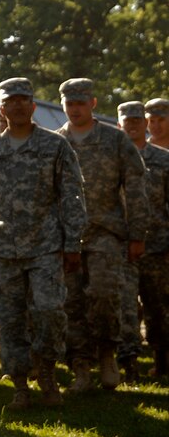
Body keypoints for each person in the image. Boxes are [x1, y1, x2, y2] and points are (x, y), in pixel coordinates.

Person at [0, 77, 87, 410]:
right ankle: (20, 385)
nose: (17, 106)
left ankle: (46, 373)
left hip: (46, 244)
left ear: (33, 106)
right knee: (10, 319)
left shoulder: (55, 146)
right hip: (4, 248)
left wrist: (73, 242)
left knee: (49, 311)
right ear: (1, 109)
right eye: (10, 101)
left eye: (23, 100)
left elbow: (72, 196)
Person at [56, 78, 148, 393]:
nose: (75, 109)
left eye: (81, 103)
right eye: (70, 104)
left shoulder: (115, 139)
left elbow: (135, 186)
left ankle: (107, 354)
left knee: (105, 294)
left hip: (106, 232)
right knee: (71, 302)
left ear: (93, 103)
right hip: (66, 234)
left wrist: (137, 233)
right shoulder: (55, 142)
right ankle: (81, 366)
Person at [117, 101, 169, 380]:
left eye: (137, 121)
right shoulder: (112, 158)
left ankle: (162, 362)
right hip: (120, 245)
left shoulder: (163, 159)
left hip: (156, 245)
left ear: (145, 123)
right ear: (119, 124)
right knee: (125, 307)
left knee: (157, 306)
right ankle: (129, 364)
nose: (133, 125)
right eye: (127, 121)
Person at [141, 99, 169, 376]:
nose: (155, 125)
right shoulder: (136, 151)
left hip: (163, 242)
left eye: (161, 119)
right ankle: (157, 359)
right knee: (150, 304)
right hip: (141, 241)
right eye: (151, 119)